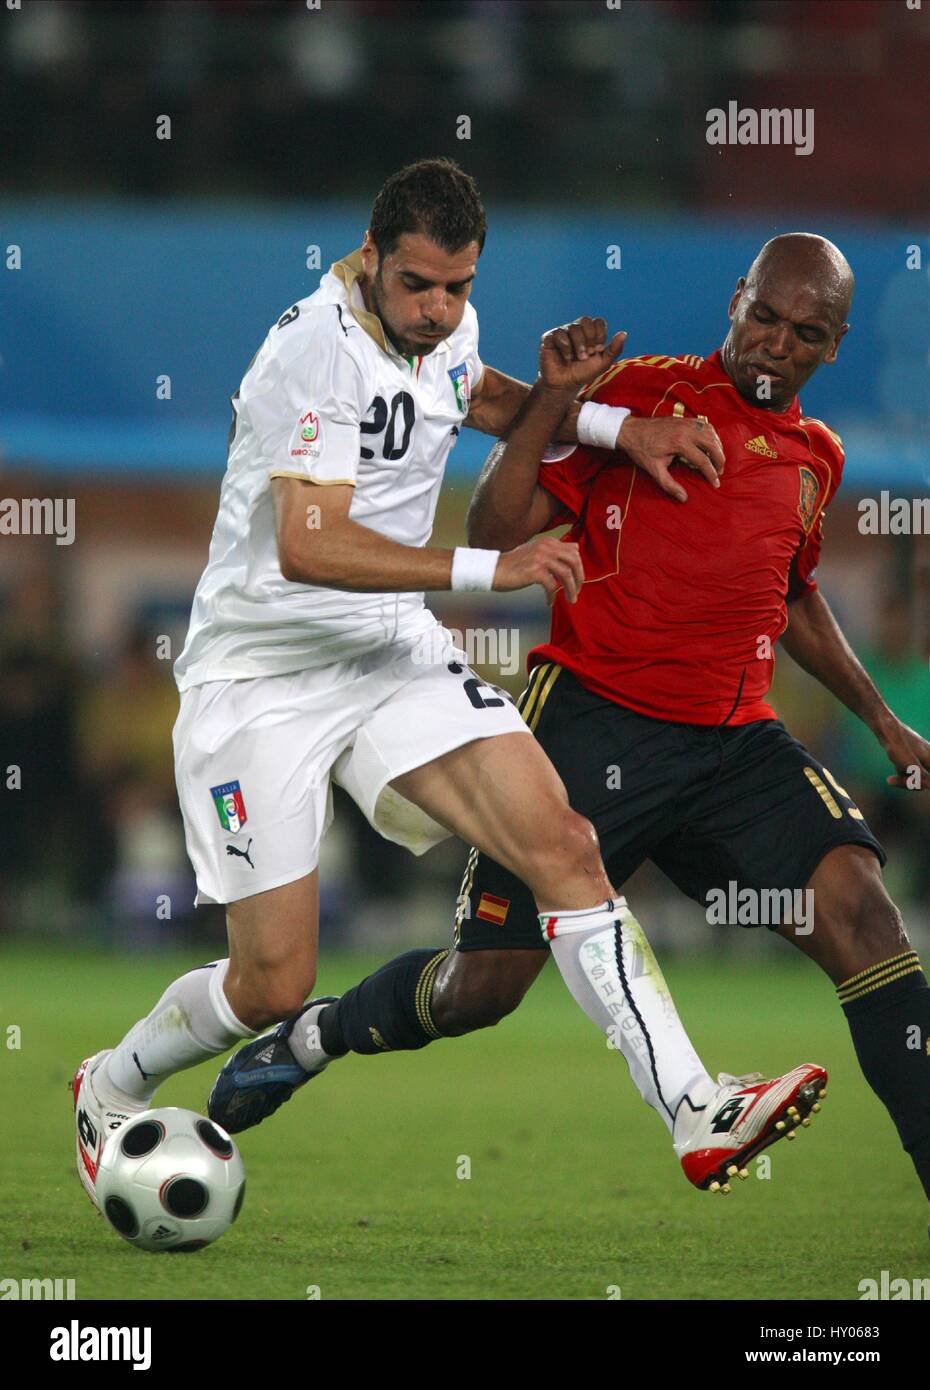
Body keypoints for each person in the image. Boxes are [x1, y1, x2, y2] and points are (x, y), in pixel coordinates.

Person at [74, 158, 783, 1209]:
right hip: (262, 677)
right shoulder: (311, 355)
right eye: (419, 286)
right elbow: (311, 546)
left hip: (390, 651)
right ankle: (113, 1080)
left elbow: (478, 395)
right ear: (368, 258)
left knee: (566, 844)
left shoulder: (441, 325)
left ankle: (693, 1105)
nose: (442, 309)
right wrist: (487, 571)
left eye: (459, 286)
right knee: (273, 982)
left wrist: (609, 423)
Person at [213, 233, 930, 1218]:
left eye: (805, 334)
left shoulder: (817, 460)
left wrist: (885, 721)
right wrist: (554, 401)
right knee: (480, 990)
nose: (775, 344)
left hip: (734, 743)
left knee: (866, 916)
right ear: (737, 297)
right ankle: (314, 1035)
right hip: (592, 725)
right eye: (764, 316)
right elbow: (495, 533)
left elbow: (794, 596)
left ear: (833, 348)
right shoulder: (640, 395)